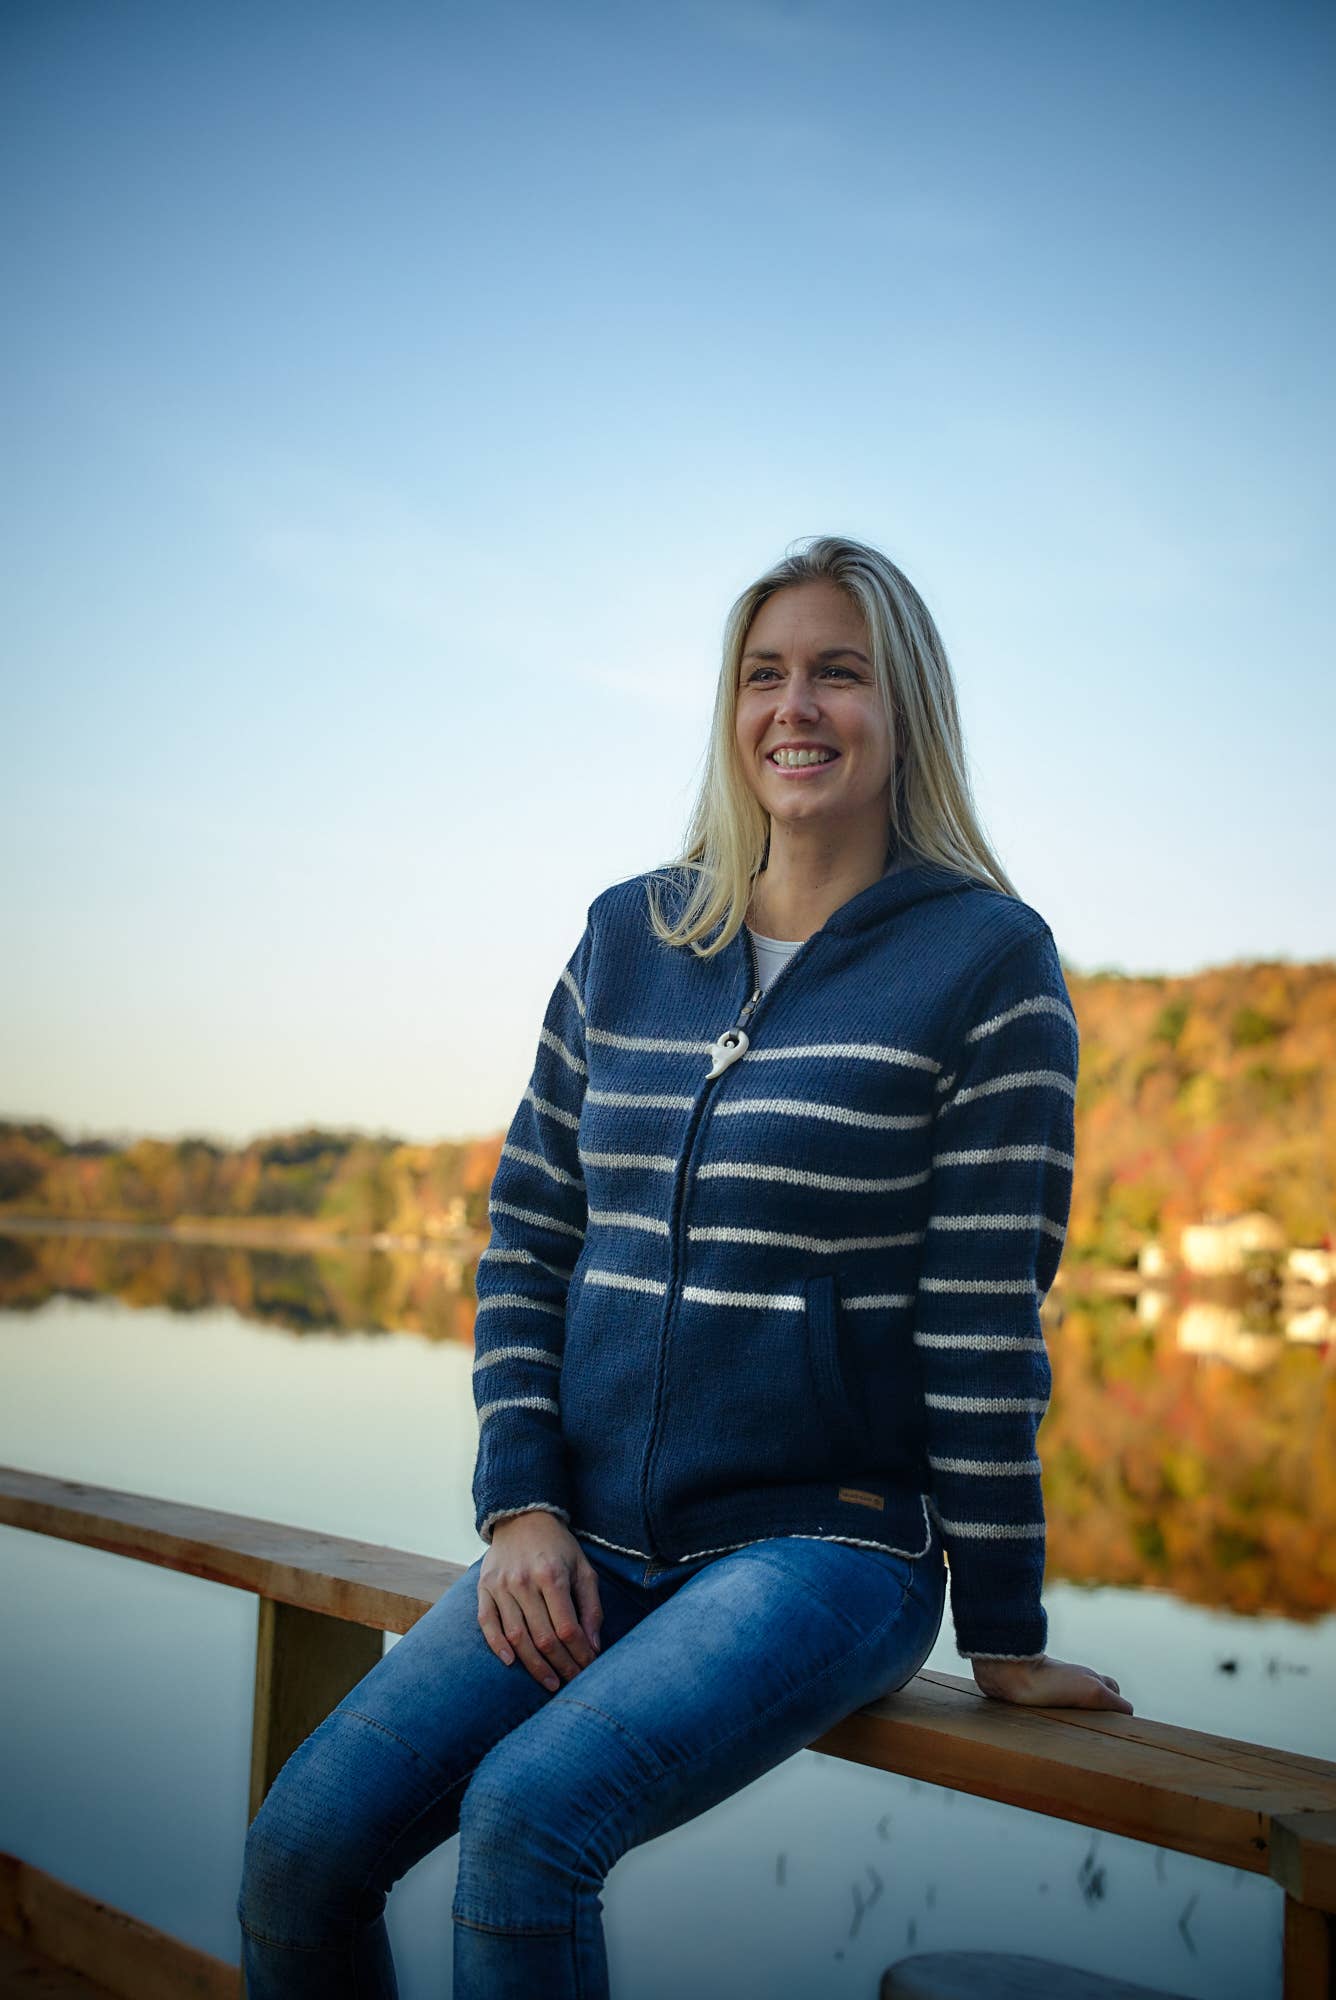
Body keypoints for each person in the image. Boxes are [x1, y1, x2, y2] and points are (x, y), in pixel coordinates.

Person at [237, 534, 1130, 1998]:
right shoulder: (630, 934)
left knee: (529, 1828)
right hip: (582, 1539)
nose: (796, 707)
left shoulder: (986, 961)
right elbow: (532, 1233)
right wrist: (522, 1502)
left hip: (825, 1548)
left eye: (838, 673)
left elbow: (980, 1319)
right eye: (763, 674)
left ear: (904, 707)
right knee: (299, 1852)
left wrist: (1007, 1629)